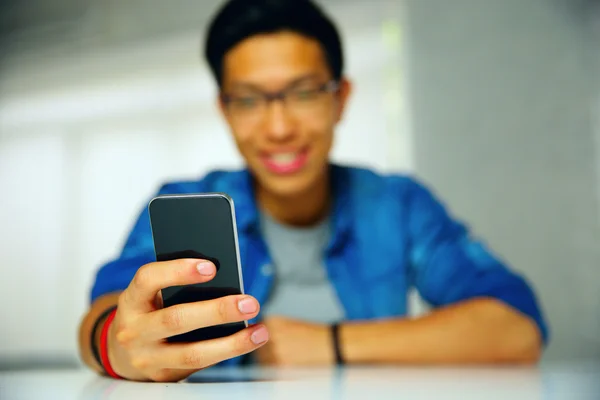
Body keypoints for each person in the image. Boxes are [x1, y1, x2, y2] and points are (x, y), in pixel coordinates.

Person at [78, 0, 549, 382]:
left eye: (303, 93)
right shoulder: (181, 202)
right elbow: (101, 317)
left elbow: (515, 329)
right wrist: (117, 345)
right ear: (225, 110)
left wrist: (330, 343)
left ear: (340, 98)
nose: (279, 128)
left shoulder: (397, 204)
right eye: (248, 100)